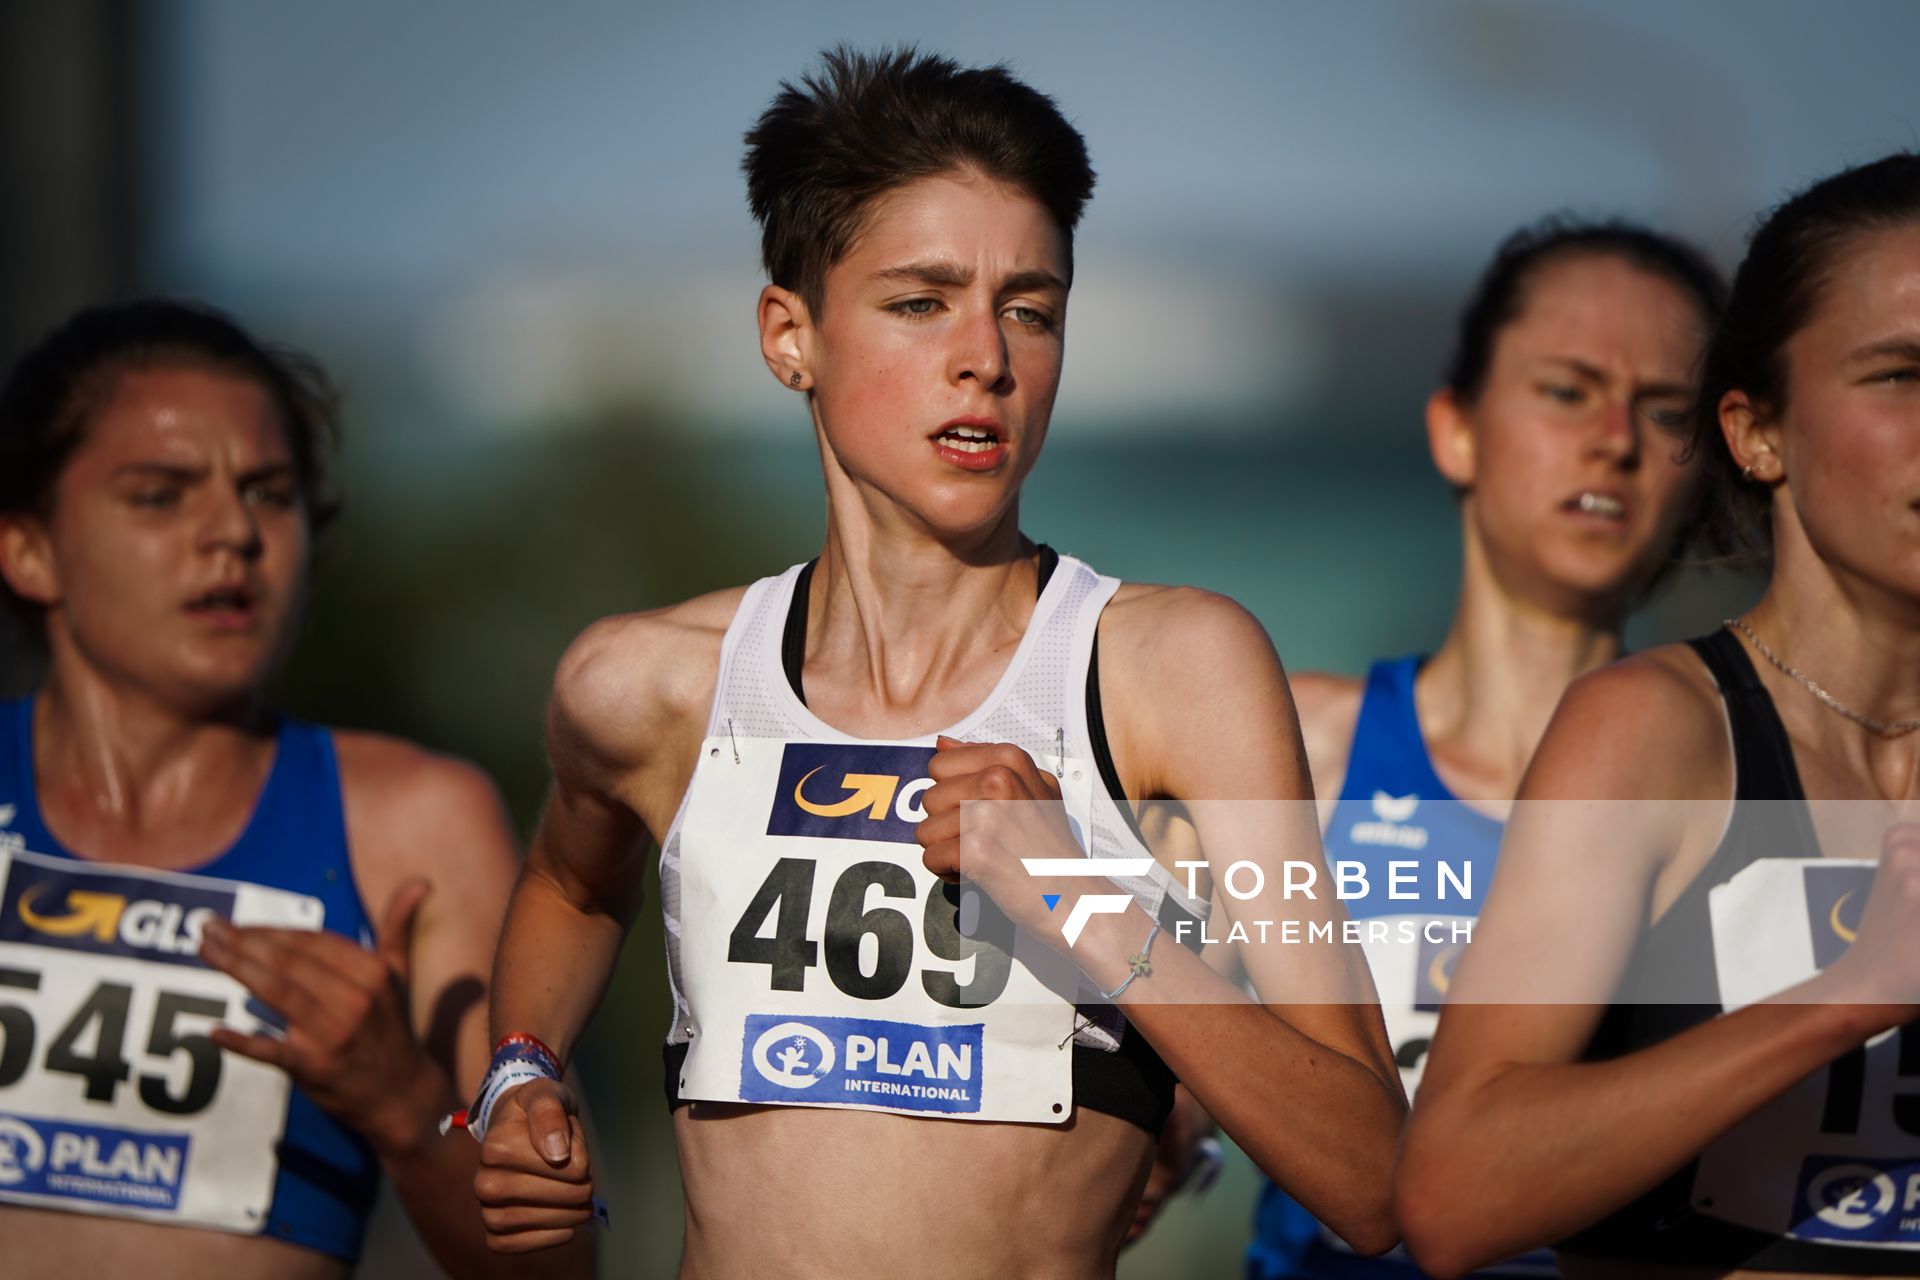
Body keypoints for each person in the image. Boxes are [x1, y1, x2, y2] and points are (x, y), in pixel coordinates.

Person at [473, 46, 1405, 1276]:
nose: (987, 357)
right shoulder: (649, 684)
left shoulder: (1175, 671)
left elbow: (1375, 1178)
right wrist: (518, 1072)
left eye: (1030, 307)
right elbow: (571, 884)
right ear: (789, 334)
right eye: (920, 303)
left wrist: (1075, 899)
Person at [1398, 152, 1920, 1277]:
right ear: (1757, 432)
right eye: (1901, 374)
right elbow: (1451, 1193)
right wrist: (1849, 996)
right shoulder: (1654, 731)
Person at [0, 299, 589, 1277]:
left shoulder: (413, 824)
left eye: (270, 493)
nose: (232, 529)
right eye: (160, 493)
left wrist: (402, 1103)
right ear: (28, 547)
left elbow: (561, 1265)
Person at [1190, 217, 1724, 1278]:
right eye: (1568, 389)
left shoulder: (1757, 777)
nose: (1615, 437)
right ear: (1456, 429)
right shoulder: (1303, 746)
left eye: (1665, 409)